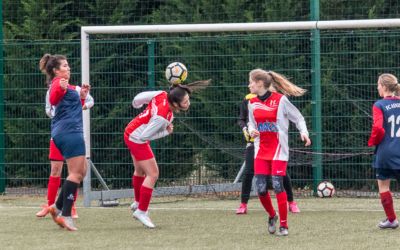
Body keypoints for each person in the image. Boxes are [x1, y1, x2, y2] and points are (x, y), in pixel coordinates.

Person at [125, 80, 210, 229]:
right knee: (153, 174)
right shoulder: (163, 117)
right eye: (185, 101)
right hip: (136, 138)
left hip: (130, 131)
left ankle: (138, 203)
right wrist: (166, 132)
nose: (188, 103)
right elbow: (144, 137)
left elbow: (140, 97)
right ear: (176, 104)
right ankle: (141, 211)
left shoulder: (162, 94)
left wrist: (135, 104)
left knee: (139, 170)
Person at [247, 69, 311, 236]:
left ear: (260, 84)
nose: (249, 85)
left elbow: (298, 118)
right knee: (260, 189)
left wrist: (304, 132)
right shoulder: (251, 102)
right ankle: (272, 215)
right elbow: (251, 123)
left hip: (278, 150)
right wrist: (251, 130)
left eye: (251, 82)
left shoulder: (280, 100)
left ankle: (284, 225)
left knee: (277, 185)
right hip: (260, 151)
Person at [39, 53, 90, 231]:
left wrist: (82, 96)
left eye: (68, 65)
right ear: (55, 70)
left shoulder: (67, 86)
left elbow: (68, 105)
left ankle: (57, 207)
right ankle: (66, 215)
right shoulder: (57, 84)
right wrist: (60, 88)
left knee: (82, 171)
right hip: (70, 133)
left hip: (64, 133)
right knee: (75, 174)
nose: (68, 68)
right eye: (65, 66)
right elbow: (53, 99)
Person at [35, 80, 94, 219]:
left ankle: (70, 206)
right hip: (58, 134)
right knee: (55, 170)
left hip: (73, 134)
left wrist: (80, 106)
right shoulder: (51, 92)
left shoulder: (75, 89)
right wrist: (60, 112)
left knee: (74, 172)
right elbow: (48, 111)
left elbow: (91, 100)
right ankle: (50, 206)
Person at [236, 92, 300, 215]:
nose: (250, 85)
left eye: (252, 82)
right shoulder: (248, 100)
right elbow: (242, 119)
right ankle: (243, 204)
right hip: (254, 143)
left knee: (282, 174)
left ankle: (291, 202)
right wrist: (245, 128)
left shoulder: (277, 100)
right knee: (249, 171)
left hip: (272, 143)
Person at [368, 73, 400, 229]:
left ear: (385, 86)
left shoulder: (379, 104)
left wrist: (372, 141)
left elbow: (378, 128)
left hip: (385, 153)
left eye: (378, 85)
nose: (377, 87)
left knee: (384, 187)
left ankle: (392, 220)